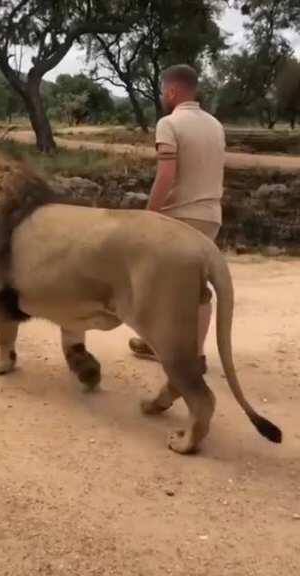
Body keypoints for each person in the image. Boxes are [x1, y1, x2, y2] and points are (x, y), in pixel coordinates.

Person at [129, 64, 225, 373]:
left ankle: (179, 354)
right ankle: (182, 350)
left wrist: (149, 215)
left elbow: (166, 174)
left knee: (156, 283)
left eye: (162, 90)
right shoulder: (215, 125)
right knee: (194, 287)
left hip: (179, 218)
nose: (161, 96)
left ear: (171, 91)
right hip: (210, 216)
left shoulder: (169, 124)